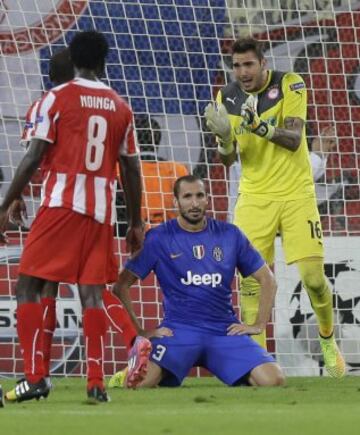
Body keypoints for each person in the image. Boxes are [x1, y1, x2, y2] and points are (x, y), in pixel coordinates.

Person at [0, 30, 146, 403]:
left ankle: (35, 377)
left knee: (28, 286)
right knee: (91, 293)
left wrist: (5, 205)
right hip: (100, 211)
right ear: (103, 61)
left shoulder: (56, 98)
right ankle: (95, 383)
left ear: (75, 61)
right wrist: (134, 221)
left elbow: (34, 156)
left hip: (62, 205)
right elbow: (131, 169)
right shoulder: (121, 106)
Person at [204, 37, 345, 378]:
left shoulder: (289, 84)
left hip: (296, 193)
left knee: (313, 279)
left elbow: (294, 138)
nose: (242, 72)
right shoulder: (227, 97)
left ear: (263, 64)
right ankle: (260, 361)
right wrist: (224, 139)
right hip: (254, 198)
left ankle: (327, 339)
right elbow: (226, 159)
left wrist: (260, 126)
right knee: (252, 282)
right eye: (237, 66)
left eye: (249, 64)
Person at [109, 175, 285, 389]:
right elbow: (120, 286)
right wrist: (139, 332)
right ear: (175, 202)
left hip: (223, 331)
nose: (194, 203)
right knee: (138, 383)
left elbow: (268, 280)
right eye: (187, 197)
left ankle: (237, 370)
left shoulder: (230, 235)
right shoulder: (158, 238)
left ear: (207, 199)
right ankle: (125, 373)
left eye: (199, 196)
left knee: (273, 380)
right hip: (178, 332)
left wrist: (258, 325)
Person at [227, 125, 339, 221]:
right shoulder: (247, 155)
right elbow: (288, 180)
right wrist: (318, 154)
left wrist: (321, 154)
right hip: (248, 224)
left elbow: (299, 178)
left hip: (268, 222)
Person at [117, 115, 189, 232]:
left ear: (133, 140)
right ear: (158, 139)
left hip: (133, 233)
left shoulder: (120, 168)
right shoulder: (178, 170)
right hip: (171, 235)